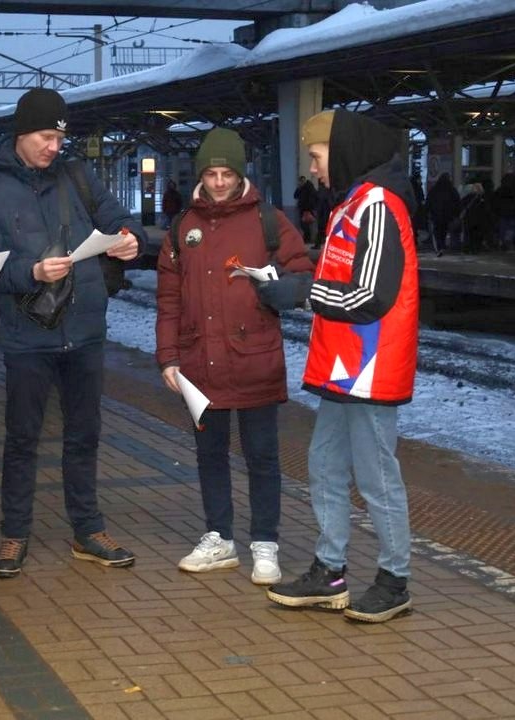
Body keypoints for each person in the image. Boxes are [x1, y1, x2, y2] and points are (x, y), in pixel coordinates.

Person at [0, 88, 147, 578]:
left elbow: (118, 218)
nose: (55, 146)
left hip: (85, 330)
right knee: (22, 439)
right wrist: (30, 272)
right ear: (23, 134)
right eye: (47, 136)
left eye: (60, 137)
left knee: (84, 436)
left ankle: (88, 530)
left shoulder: (79, 176)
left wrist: (130, 239)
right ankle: (14, 534)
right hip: (28, 336)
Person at [267, 109, 419, 624]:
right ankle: (329, 572)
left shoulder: (377, 205)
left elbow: (370, 296)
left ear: (343, 148)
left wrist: (300, 293)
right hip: (345, 365)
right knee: (325, 467)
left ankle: (394, 580)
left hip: (370, 365)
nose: (313, 168)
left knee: (376, 476)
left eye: (316, 155)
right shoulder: (352, 204)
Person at [155, 128, 313, 585]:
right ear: (200, 175)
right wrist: (168, 356)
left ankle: (265, 545)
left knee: (262, 455)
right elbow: (169, 298)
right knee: (210, 453)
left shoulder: (268, 220)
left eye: (227, 173)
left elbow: (302, 271)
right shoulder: (183, 226)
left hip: (255, 358)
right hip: (199, 363)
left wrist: (277, 290)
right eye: (211, 173)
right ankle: (219, 538)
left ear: (240, 173)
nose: (220, 182)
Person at [424, 172, 459, 256]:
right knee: (443, 230)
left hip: (436, 214)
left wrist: (427, 211)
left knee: (437, 231)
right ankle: (442, 245)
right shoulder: (451, 189)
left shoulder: (435, 189)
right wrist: (455, 213)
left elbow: (429, 201)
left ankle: (439, 246)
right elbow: (457, 201)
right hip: (447, 214)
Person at [294, 175, 318, 246]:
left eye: (301, 182)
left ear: (304, 181)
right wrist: (298, 188)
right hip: (303, 209)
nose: (300, 183)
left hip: (308, 209)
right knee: (304, 224)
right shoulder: (301, 188)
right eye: (299, 182)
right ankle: (308, 238)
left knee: (307, 224)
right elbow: (295, 196)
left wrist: (310, 207)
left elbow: (312, 197)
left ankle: (308, 238)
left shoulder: (309, 187)